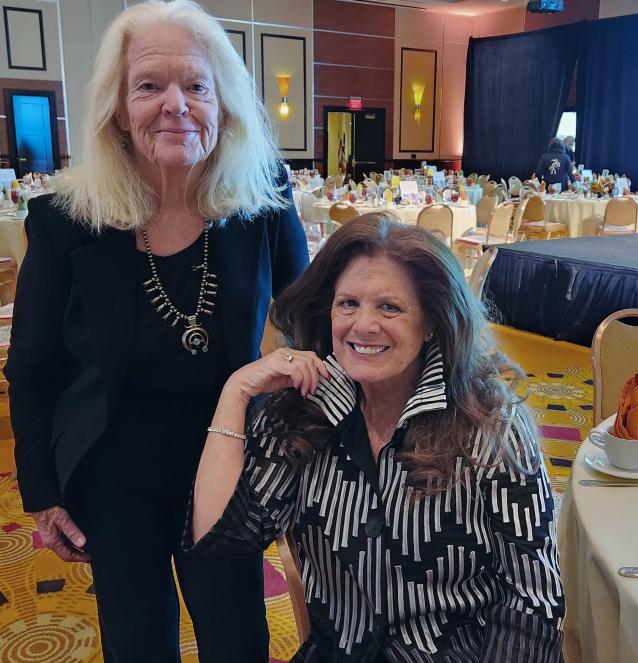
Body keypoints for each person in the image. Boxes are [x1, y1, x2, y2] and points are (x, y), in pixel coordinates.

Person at [5, 1, 308, 661]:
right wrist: (43, 491)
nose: (177, 104)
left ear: (222, 102)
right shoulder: (65, 220)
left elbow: (306, 318)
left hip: (228, 458)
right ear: (118, 108)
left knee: (237, 639)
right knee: (138, 640)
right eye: (149, 85)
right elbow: (30, 364)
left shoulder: (263, 198)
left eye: (196, 85)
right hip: (114, 470)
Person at [189, 215, 565, 662]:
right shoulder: (305, 413)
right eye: (347, 304)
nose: (362, 325)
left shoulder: (490, 425)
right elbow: (222, 540)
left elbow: (531, 600)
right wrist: (236, 393)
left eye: (389, 307)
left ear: (431, 322)